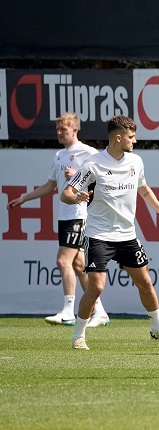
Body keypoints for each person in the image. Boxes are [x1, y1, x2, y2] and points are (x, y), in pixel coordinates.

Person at [61, 115, 159, 351]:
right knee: (96, 287)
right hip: (98, 236)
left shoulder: (136, 162)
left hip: (127, 236)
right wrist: (76, 197)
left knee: (145, 282)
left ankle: (158, 328)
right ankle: (78, 336)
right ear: (118, 138)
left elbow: (144, 190)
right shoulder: (93, 165)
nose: (134, 141)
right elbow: (65, 193)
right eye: (131, 137)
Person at [7, 112, 110, 328]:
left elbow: (104, 177)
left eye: (63, 129)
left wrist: (79, 176)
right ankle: (100, 312)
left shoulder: (89, 153)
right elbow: (50, 186)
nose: (59, 133)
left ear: (75, 130)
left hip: (79, 215)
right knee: (79, 265)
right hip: (64, 215)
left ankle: (68, 312)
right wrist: (25, 198)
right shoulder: (59, 155)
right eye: (57, 129)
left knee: (63, 261)